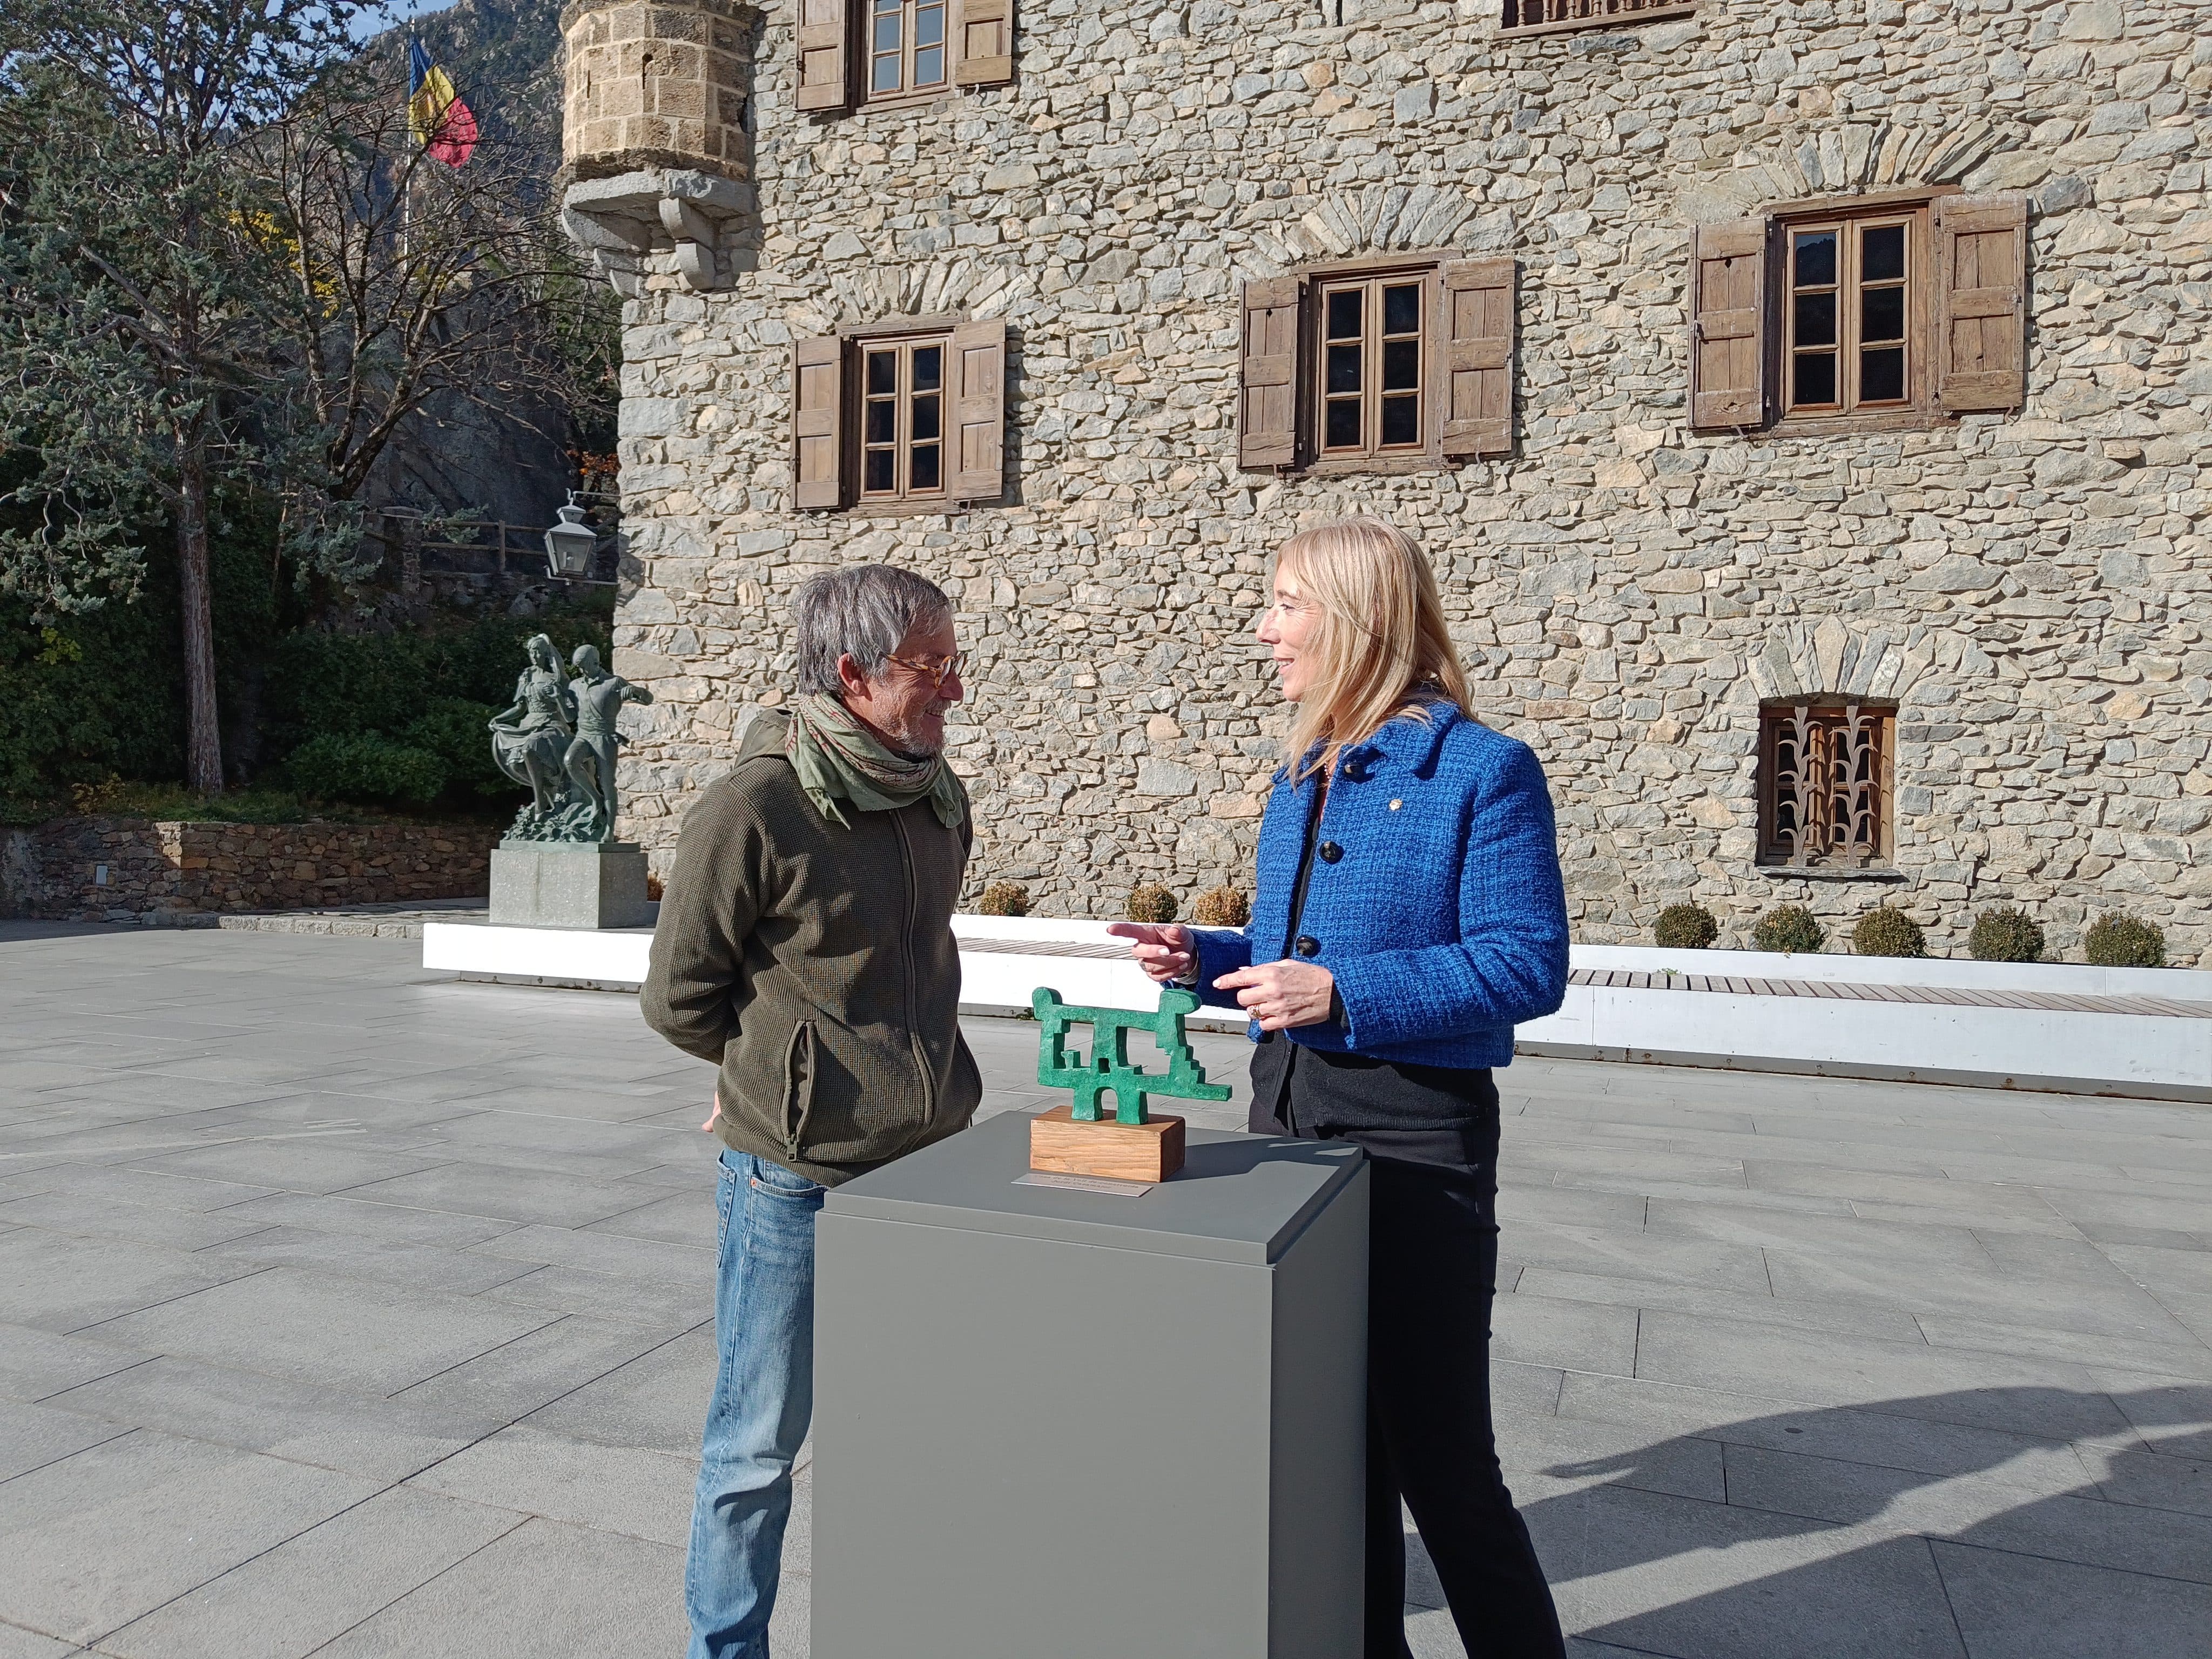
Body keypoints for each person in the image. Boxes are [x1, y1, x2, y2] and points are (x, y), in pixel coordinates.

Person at [1111, 516, 1570, 1659]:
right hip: (1288, 1129)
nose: (1264, 630)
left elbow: (1526, 966)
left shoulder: (1484, 771)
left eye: (1284, 604)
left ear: (1353, 618)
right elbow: (1292, 953)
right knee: (1326, 1454)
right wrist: (1207, 961)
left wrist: (1344, 994)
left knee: (1439, 1460)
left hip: (1414, 1144)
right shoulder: (1301, 768)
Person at [641, 564, 982, 1659]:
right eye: (930, 670)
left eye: (951, 664)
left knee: (911, 1431)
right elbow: (680, 991)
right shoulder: (756, 804)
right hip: (795, 1179)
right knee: (753, 1448)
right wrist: (757, 1078)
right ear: (851, 673)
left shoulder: (935, 795)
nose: (954, 692)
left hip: (930, 1169)